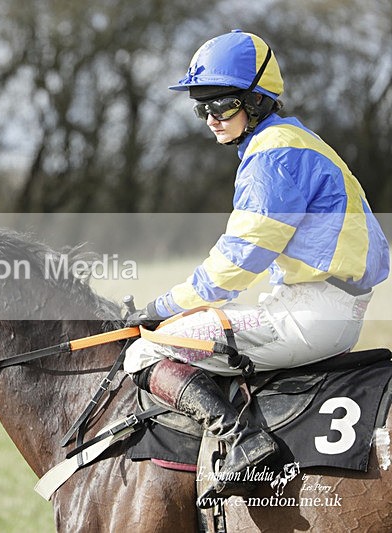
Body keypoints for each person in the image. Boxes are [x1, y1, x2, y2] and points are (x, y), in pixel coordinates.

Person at [123, 30, 390, 504]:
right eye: (200, 107)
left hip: (310, 315)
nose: (210, 119)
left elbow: (234, 265)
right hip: (319, 307)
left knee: (144, 353)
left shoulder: (274, 156)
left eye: (221, 105)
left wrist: (162, 308)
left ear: (257, 101)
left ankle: (247, 444)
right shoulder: (290, 142)